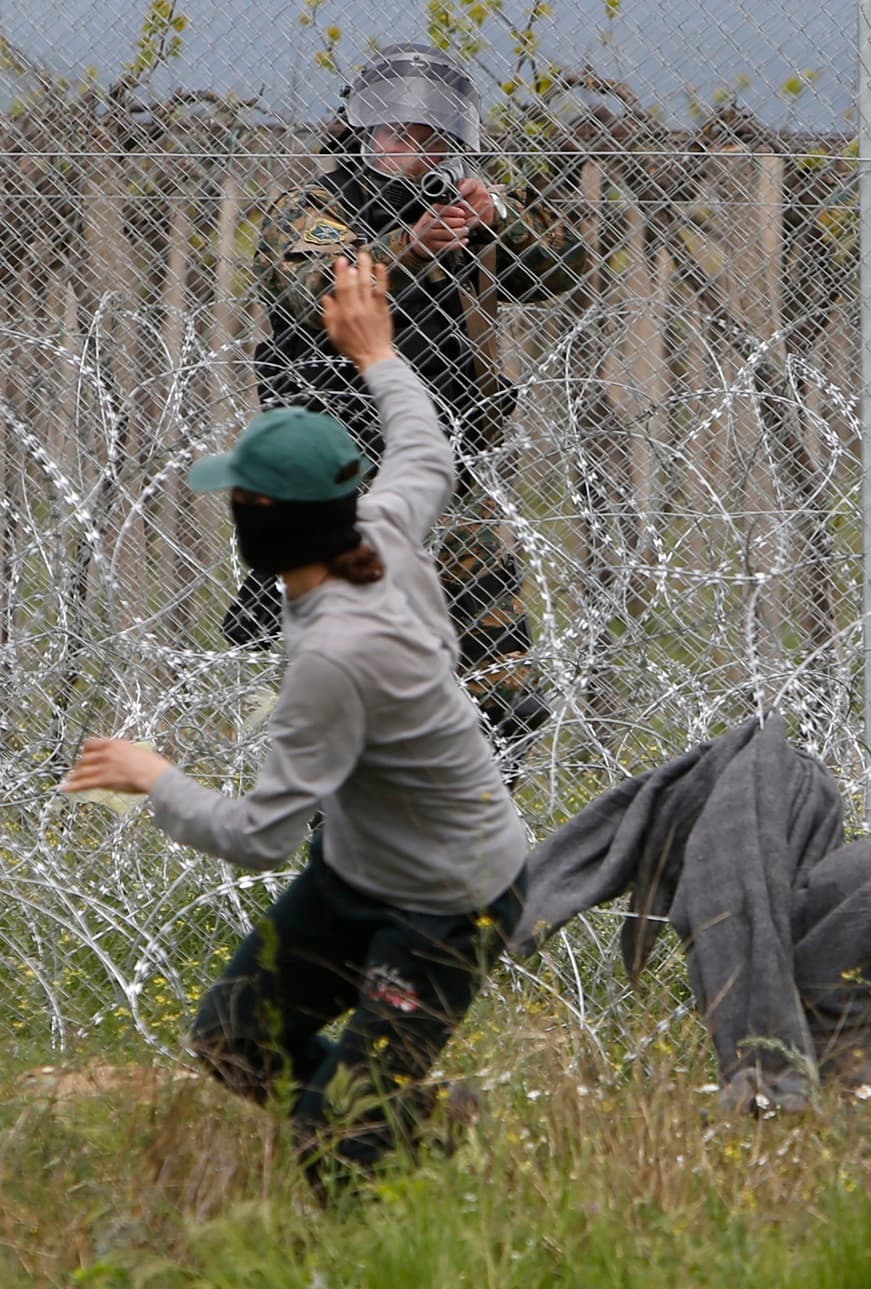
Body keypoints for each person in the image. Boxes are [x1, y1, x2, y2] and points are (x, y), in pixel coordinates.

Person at [62, 253, 528, 1200]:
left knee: (334, 1142)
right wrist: (379, 353)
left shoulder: (335, 657)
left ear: (264, 516)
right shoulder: (378, 527)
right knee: (232, 1040)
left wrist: (156, 777)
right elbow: (425, 450)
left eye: (238, 497)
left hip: (447, 903)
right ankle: (429, 1125)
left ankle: (375, 1186)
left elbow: (260, 835)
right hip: (361, 872)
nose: (232, 509)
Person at [227, 42, 587, 778]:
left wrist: (499, 216)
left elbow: (564, 268)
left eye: (433, 137)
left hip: (444, 464)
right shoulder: (318, 209)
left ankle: (482, 827)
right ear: (362, 135)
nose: (414, 150)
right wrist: (408, 251)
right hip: (345, 473)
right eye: (398, 134)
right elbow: (315, 297)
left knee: (502, 684)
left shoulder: (459, 217)